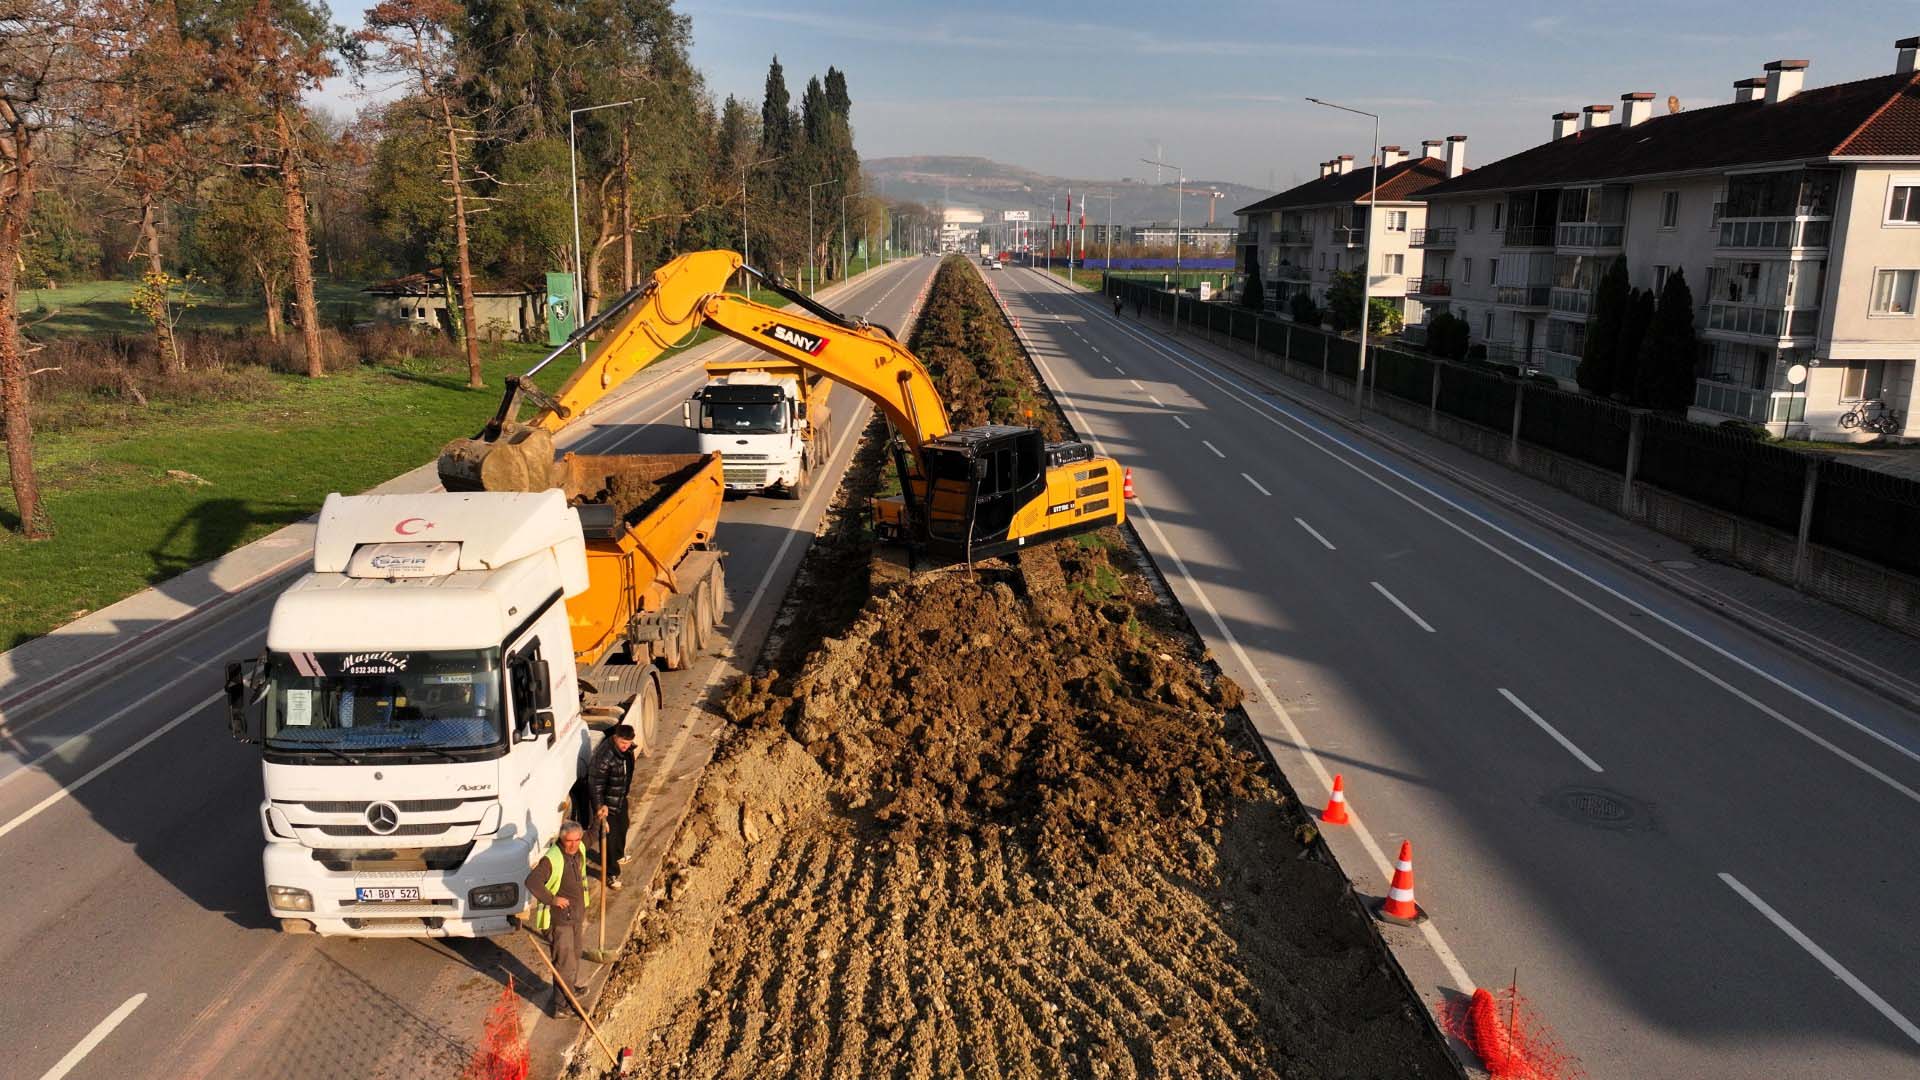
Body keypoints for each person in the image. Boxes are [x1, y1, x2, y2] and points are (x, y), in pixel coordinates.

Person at [525, 820, 591, 1018]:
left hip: (575, 917)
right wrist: (552, 899)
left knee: (575, 955)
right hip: (559, 922)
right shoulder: (552, 858)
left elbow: (592, 836)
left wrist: (598, 819)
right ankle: (562, 1006)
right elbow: (532, 881)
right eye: (569, 841)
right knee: (564, 963)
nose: (574, 844)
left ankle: (569, 989)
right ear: (562, 839)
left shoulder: (578, 850)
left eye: (577, 840)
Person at [587, 724, 638, 891]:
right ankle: (611, 873)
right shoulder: (604, 757)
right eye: (623, 742)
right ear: (615, 737)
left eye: (628, 743)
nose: (625, 746)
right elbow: (595, 785)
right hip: (607, 805)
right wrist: (600, 808)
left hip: (620, 798)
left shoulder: (627, 751)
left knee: (622, 827)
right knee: (608, 837)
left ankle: (618, 855)